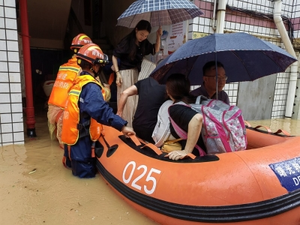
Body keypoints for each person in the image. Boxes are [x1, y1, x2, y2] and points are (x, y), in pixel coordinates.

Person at [61, 43, 135, 178]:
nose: (100, 68)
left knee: (75, 176)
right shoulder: (90, 87)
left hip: (71, 142)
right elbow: (100, 110)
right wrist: (122, 126)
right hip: (82, 145)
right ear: (93, 65)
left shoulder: (77, 82)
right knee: (85, 180)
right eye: (100, 65)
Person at [112, 20, 162, 126]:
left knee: (134, 102)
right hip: (124, 73)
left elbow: (155, 49)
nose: (143, 37)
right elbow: (114, 56)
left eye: (145, 35)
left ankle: (131, 127)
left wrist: (158, 36)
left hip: (135, 73)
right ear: (136, 30)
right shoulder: (127, 41)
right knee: (127, 102)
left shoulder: (143, 43)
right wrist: (117, 74)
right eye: (141, 34)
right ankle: (124, 126)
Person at [47, 33, 93, 148]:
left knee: (62, 145)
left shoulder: (63, 66)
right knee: (69, 146)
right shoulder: (82, 69)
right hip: (66, 111)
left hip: (53, 108)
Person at [165, 73, 206, 161]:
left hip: (196, 157)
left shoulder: (176, 108)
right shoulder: (196, 101)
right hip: (209, 151)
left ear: (169, 91)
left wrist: (186, 151)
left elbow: (197, 118)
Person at [117, 77, 166, 143]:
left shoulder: (145, 81)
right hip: (153, 129)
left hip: (137, 125)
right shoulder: (168, 86)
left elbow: (124, 93)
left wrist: (119, 113)